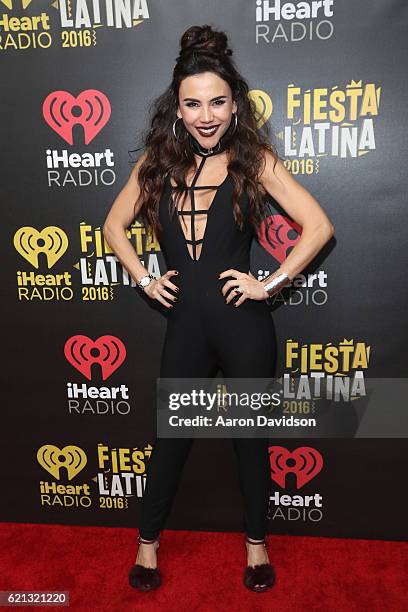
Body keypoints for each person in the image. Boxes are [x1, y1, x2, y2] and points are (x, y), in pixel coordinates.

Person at [103, 24, 334, 593]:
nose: (206, 115)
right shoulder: (156, 163)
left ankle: (257, 550)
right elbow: (114, 225)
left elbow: (319, 225)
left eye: (217, 102)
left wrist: (270, 283)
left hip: (244, 325)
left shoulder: (253, 160)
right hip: (185, 324)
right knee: (169, 442)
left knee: (251, 440)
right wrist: (142, 276)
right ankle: (147, 548)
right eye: (192, 103)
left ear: (234, 105)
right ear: (176, 109)